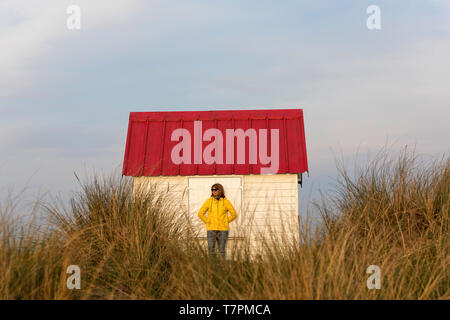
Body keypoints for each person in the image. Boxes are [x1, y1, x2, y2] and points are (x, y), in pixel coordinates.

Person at [198, 183, 237, 259]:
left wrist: (225, 221)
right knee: (211, 250)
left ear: (220, 190)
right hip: (211, 230)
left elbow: (234, 214)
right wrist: (208, 221)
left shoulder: (226, 202)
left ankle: (222, 268)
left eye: (215, 189)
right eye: (212, 190)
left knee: (222, 250)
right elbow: (200, 213)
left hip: (223, 230)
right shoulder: (209, 201)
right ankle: (212, 268)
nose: (214, 191)